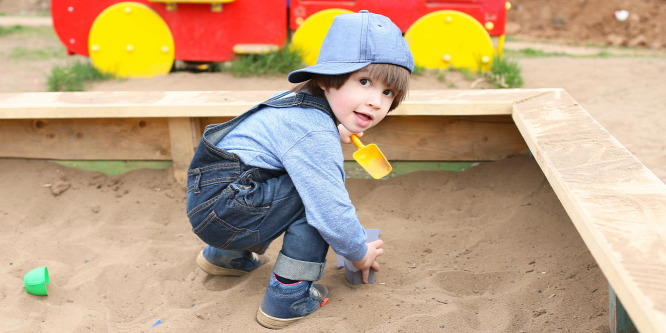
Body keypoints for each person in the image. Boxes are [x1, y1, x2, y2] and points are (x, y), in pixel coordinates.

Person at [185, 10, 413, 329]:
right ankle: (287, 298)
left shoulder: (295, 103)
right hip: (228, 211)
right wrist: (359, 253)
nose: (376, 101)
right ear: (325, 79)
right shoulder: (313, 133)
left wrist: (335, 131)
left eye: (388, 92)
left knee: (286, 183)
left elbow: (285, 138)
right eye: (364, 82)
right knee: (315, 203)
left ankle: (225, 258)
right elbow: (331, 211)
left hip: (211, 198)